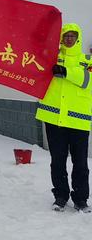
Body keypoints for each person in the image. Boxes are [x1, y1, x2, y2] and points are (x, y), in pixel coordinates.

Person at [36, 23, 92, 212]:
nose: (69, 39)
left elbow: (87, 81)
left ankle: (81, 199)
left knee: (81, 163)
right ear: (61, 38)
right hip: (54, 119)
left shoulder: (87, 60)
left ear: (78, 38)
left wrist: (66, 72)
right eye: (66, 36)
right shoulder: (52, 58)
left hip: (78, 121)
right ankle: (60, 196)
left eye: (72, 36)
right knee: (57, 161)